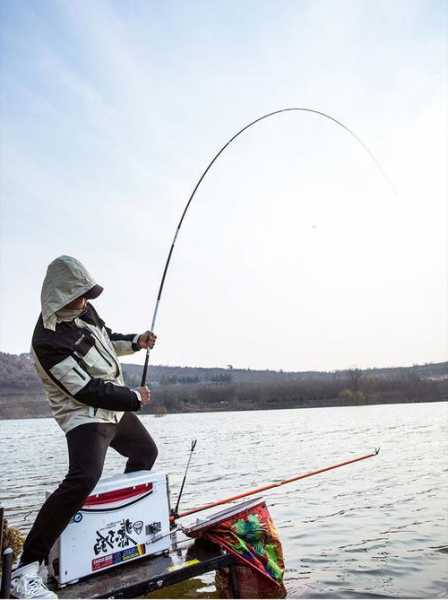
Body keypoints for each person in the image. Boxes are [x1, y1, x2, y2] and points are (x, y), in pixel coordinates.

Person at [11, 256, 158, 599]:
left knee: (145, 452)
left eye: (89, 294)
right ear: (62, 295)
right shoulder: (47, 341)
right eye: (81, 295)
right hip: (84, 415)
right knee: (83, 478)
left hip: (113, 410)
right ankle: (26, 568)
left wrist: (137, 341)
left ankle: (120, 527)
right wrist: (133, 397)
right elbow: (85, 390)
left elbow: (106, 341)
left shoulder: (85, 311)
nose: (87, 301)